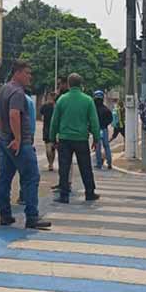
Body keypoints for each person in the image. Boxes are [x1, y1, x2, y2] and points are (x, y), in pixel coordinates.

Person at [0, 60, 51, 229]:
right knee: (31, 177)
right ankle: (32, 216)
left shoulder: (3, 89)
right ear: (17, 73)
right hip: (19, 143)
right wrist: (16, 138)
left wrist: (1, 129)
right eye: (27, 73)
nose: (29, 76)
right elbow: (14, 115)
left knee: (5, 177)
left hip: (4, 140)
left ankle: (5, 214)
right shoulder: (17, 92)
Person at [49, 73, 100, 204]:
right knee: (85, 166)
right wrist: (96, 138)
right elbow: (94, 121)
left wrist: (52, 139)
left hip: (65, 139)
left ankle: (64, 195)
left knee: (64, 167)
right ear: (81, 84)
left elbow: (54, 121)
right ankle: (90, 193)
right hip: (81, 139)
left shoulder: (61, 100)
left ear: (69, 84)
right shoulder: (88, 100)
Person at [92, 91, 113, 170]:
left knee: (98, 147)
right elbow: (110, 119)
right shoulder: (106, 109)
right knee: (106, 146)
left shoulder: (93, 109)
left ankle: (99, 163)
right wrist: (105, 124)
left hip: (96, 129)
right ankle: (109, 163)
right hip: (104, 129)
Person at [40, 91, 57, 171]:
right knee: (52, 148)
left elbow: (41, 114)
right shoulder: (57, 106)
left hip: (47, 128)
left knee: (48, 148)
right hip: (55, 129)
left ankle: (50, 163)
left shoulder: (45, 105)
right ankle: (51, 163)